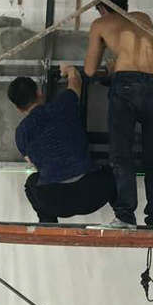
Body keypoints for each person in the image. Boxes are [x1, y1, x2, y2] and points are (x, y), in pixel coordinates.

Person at [84, 0, 153, 229]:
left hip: (126, 85)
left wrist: (111, 70)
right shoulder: (144, 18)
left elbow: (89, 70)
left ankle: (125, 215)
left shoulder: (100, 24)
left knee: (122, 154)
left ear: (101, 7)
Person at [9, 63, 117, 226]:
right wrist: (69, 70)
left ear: (18, 108)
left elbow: (34, 163)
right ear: (39, 93)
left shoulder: (21, 133)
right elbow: (76, 82)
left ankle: (47, 223)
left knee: (31, 183)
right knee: (114, 170)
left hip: (54, 202)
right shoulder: (63, 104)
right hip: (92, 194)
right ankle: (123, 215)